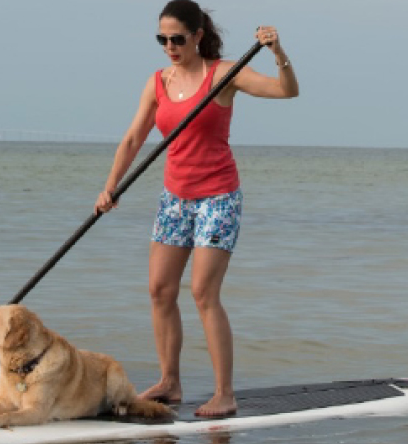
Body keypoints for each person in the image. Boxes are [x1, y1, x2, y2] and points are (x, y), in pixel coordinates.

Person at [94, 0, 299, 417]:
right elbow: (134, 138)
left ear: (197, 36)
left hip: (218, 197)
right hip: (175, 198)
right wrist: (110, 186)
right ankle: (170, 382)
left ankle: (225, 393)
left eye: (177, 39)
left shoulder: (223, 74)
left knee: (204, 292)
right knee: (159, 290)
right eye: (162, 39)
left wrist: (278, 53)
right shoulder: (158, 82)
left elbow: (286, 91)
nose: (169, 46)